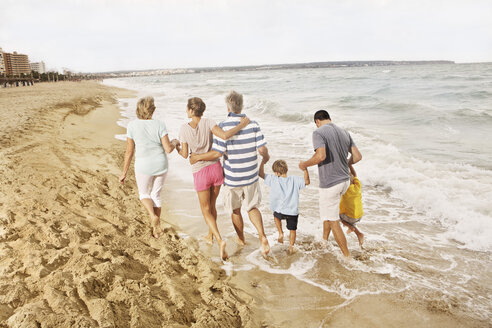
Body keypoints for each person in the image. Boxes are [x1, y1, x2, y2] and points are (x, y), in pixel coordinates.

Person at [190, 91, 271, 256]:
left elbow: (218, 153)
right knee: (252, 207)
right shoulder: (253, 124)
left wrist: (198, 157)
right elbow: (262, 150)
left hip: (233, 177)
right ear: (241, 106)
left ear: (228, 107)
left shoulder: (223, 126)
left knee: (235, 210)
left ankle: (241, 239)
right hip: (251, 175)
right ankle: (262, 236)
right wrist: (265, 159)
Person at [176, 97, 250, 260]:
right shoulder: (208, 121)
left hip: (200, 172)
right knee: (212, 205)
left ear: (190, 110)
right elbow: (224, 135)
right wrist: (241, 125)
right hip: (216, 169)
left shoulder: (183, 128)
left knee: (205, 210)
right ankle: (210, 236)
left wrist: (176, 145)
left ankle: (218, 239)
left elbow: (184, 154)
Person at [299, 110, 362, 257]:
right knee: (328, 214)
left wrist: (305, 164)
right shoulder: (344, 132)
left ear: (317, 122)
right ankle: (324, 241)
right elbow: (358, 157)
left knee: (333, 220)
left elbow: (321, 156)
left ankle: (347, 257)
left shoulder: (318, 132)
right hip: (345, 180)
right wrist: (345, 162)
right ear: (329, 118)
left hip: (331, 183)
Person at [120, 96, 179, 239]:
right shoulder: (159, 124)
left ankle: (153, 216)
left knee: (144, 194)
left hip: (143, 166)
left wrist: (124, 173)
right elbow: (168, 149)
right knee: (156, 195)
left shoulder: (132, 126)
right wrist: (175, 142)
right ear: (152, 110)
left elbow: (129, 151)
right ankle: (156, 230)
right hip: (160, 164)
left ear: (138, 110)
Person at [259, 159, 310, 254]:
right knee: (292, 230)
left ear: (277, 173)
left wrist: (262, 162)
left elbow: (260, 174)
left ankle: (280, 233)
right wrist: (305, 170)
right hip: (292, 211)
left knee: (276, 216)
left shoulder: (273, 179)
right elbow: (306, 182)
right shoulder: (295, 179)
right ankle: (291, 246)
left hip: (279, 210)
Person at [339, 163, 364, 248]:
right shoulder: (357, 185)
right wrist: (349, 165)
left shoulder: (345, 189)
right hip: (359, 215)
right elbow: (354, 174)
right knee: (350, 218)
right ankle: (359, 234)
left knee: (336, 216)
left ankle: (350, 227)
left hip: (350, 216)